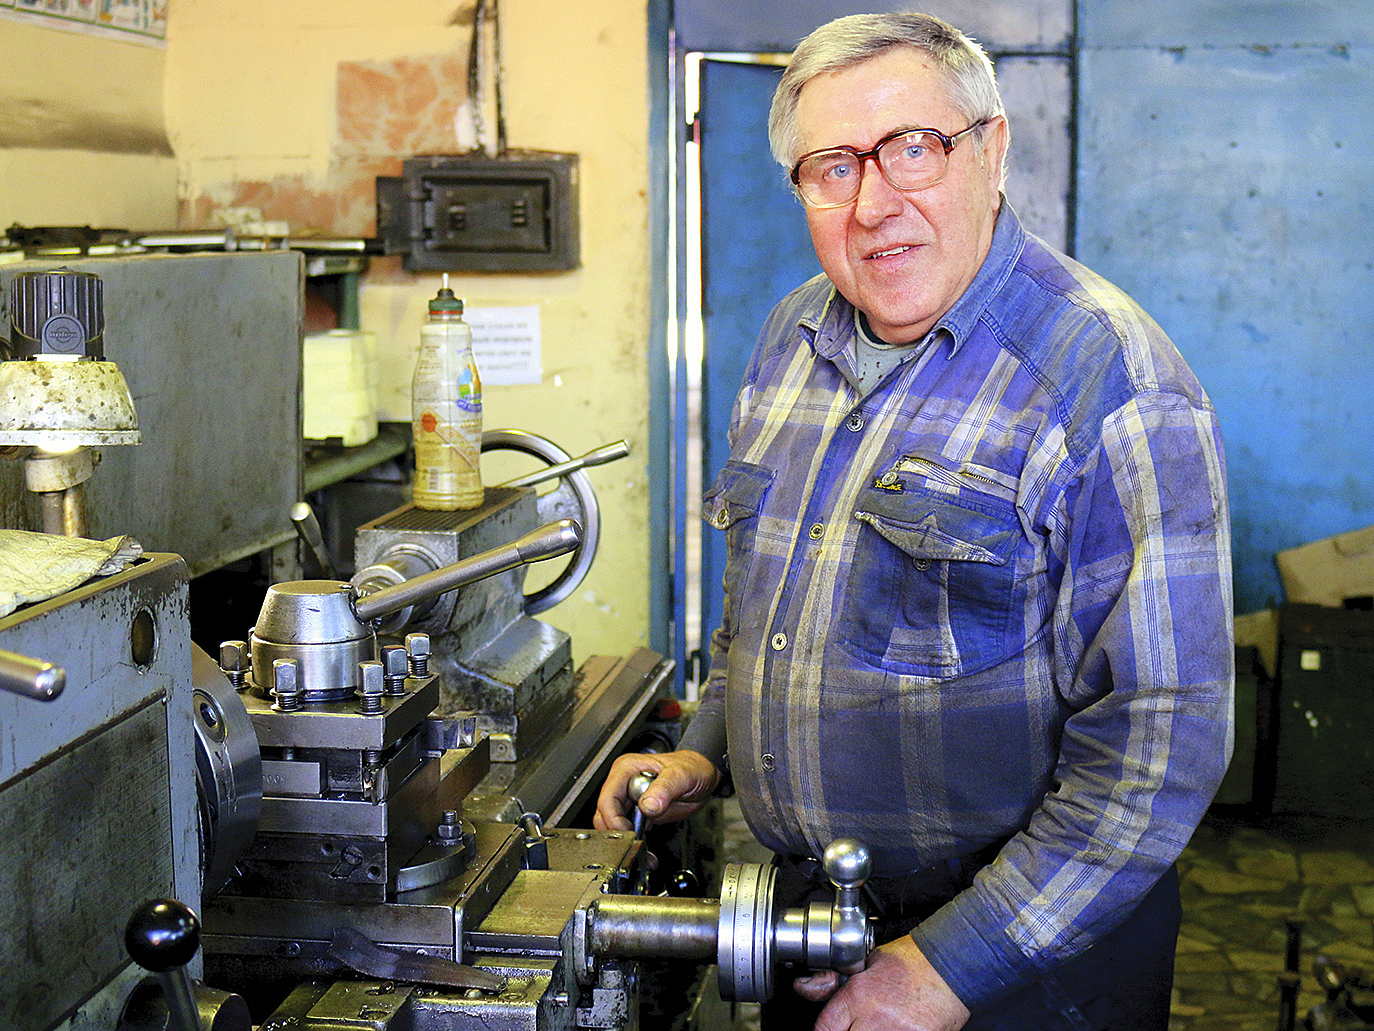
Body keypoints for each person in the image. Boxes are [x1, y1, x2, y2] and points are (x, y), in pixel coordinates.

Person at [596, 11, 1233, 1030]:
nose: (873, 203)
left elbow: (1163, 745)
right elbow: (766, 618)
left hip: (1024, 964)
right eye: (833, 167)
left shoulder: (1111, 381)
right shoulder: (791, 337)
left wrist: (942, 969)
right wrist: (702, 752)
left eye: (913, 148)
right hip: (813, 927)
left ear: (992, 149)